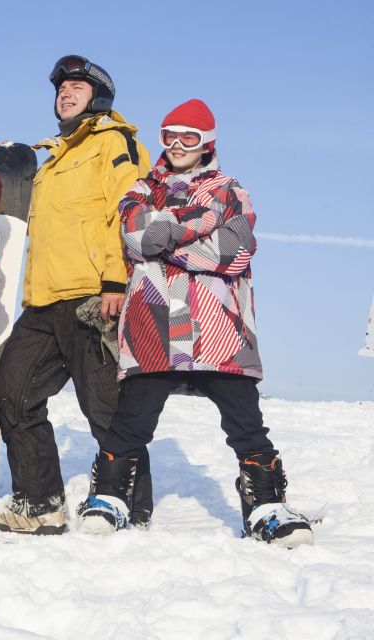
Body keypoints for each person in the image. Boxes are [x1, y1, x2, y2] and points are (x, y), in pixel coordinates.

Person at [75, 99, 314, 547]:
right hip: (154, 322)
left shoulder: (231, 189)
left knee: (244, 420)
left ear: (207, 142)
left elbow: (234, 251)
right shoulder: (140, 190)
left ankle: (266, 505)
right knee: (132, 417)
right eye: (170, 135)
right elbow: (135, 235)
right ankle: (109, 496)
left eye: (190, 136)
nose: (179, 144)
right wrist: (200, 226)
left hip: (217, 328)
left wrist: (164, 245)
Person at [0, 55, 153, 535]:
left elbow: (131, 212)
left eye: (77, 87)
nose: (66, 94)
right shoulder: (52, 160)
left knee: (105, 409)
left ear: (98, 97)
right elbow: (5, 202)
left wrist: (117, 282)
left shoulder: (115, 143)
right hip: (43, 300)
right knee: (12, 392)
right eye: (61, 89)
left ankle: (131, 508)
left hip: (94, 297)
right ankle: (40, 502)